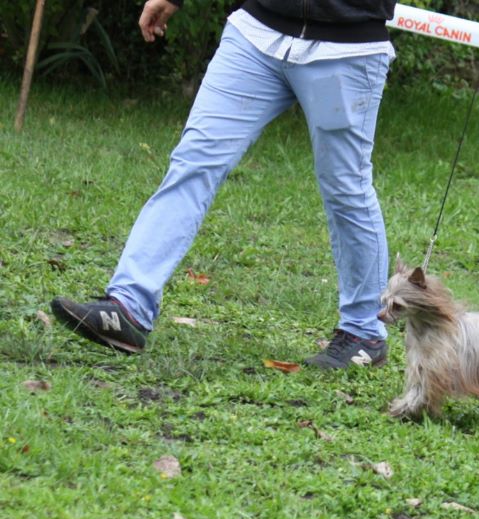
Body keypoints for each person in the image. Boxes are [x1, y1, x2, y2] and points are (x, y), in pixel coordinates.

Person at [51, 0, 397, 369]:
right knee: (193, 161)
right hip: (255, 34)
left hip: (345, 49)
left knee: (345, 188)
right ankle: (128, 306)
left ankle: (364, 332)